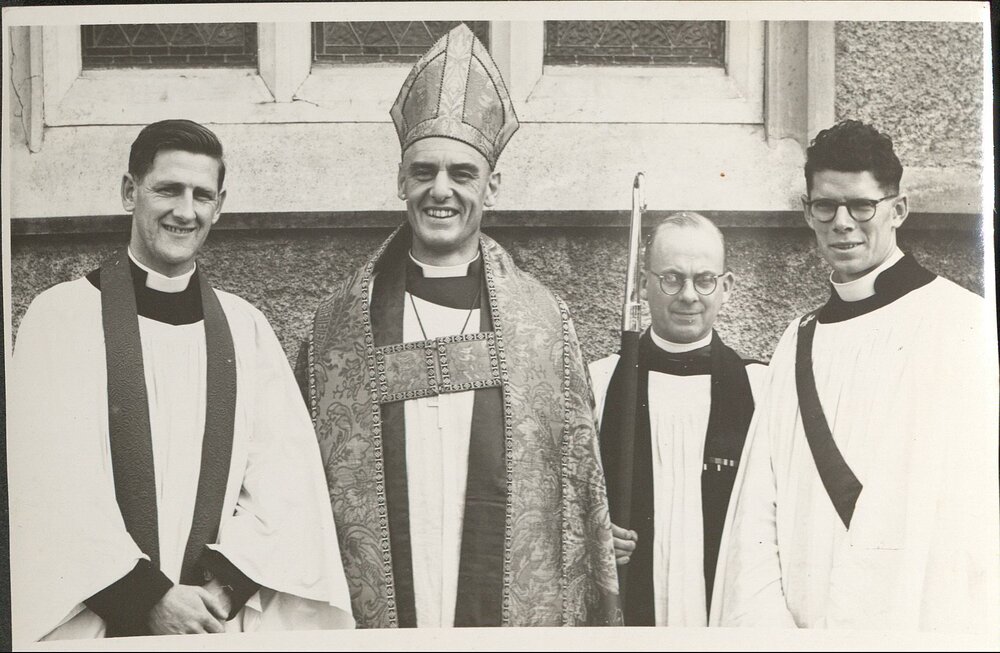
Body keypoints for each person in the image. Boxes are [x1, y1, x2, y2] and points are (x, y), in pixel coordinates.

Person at [296, 24, 620, 628]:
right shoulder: (338, 328)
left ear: (491, 187)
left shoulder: (545, 324)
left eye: (462, 174)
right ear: (400, 180)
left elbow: (577, 492)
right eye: (423, 171)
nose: (439, 190)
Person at [8, 119, 354, 645]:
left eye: (202, 195)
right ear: (130, 191)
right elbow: (49, 484)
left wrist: (217, 594)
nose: (185, 211)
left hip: (213, 623)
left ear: (220, 205)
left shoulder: (245, 328)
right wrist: (148, 600)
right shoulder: (61, 318)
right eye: (168, 189)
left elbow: (285, 487)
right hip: (97, 621)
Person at [711, 119, 999, 630]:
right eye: (826, 206)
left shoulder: (962, 326)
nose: (842, 223)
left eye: (862, 205)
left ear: (898, 209)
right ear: (808, 212)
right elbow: (758, 511)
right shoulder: (797, 341)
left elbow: (973, 526)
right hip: (798, 627)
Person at [590, 212, 767, 626]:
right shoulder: (602, 383)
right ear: (643, 284)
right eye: (671, 278)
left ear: (726, 287)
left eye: (704, 280)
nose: (689, 295)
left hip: (728, 610)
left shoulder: (760, 387)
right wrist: (592, 534)